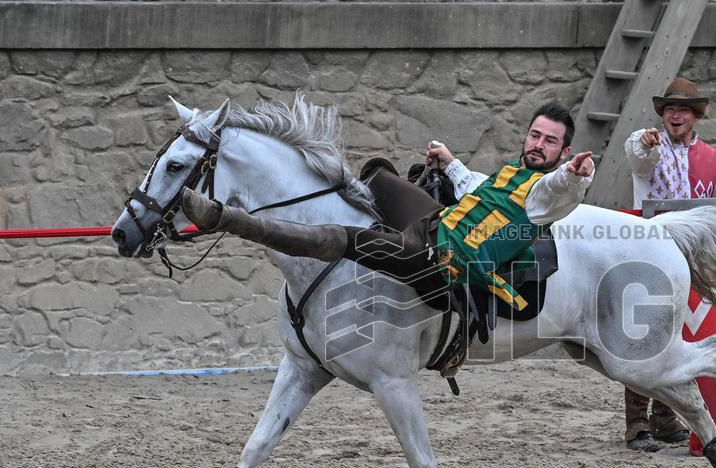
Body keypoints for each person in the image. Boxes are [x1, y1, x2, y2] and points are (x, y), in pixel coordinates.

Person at [181, 102, 594, 315]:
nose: (538, 145)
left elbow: (560, 188)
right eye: (535, 135)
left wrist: (575, 175)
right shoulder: (510, 175)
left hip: (444, 262)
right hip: (432, 228)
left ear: (565, 151)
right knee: (378, 175)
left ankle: (226, 218)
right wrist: (450, 162)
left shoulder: (545, 193)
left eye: (550, 141)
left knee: (343, 238)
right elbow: (478, 190)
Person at [620, 77, 716, 452]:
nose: (675, 114)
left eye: (683, 109)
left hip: (692, 260)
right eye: (670, 108)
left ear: (695, 115)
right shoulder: (647, 146)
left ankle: (664, 418)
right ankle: (637, 423)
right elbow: (638, 155)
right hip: (649, 253)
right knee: (642, 336)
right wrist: (646, 142)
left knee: (680, 338)